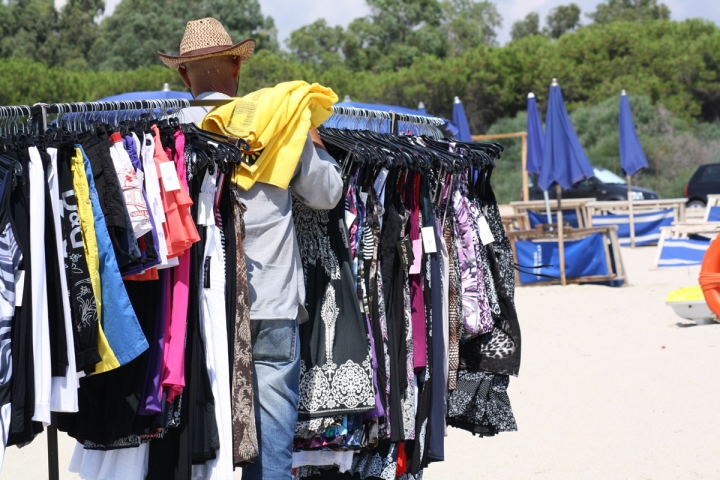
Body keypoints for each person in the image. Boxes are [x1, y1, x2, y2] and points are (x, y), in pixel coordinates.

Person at [159, 18, 343, 480]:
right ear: (238, 68)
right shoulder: (277, 122)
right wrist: (310, 138)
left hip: (196, 309)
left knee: (198, 441)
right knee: (272, 448)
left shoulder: (163, 133)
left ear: (184, 76)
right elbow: (327, 194)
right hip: (270, 301)